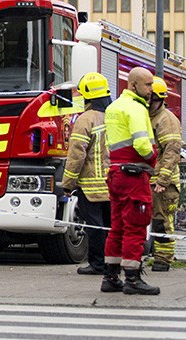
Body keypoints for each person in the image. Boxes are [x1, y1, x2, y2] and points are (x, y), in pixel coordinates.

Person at [102, 66, 160, 295]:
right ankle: (133, 279)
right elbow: (142, 144)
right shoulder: (136, 108)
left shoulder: (113, 107)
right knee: (135, 226)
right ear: (133, 85)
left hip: (116, 173)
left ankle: (110, 277)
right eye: (148, 85)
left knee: (117, 227)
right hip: (134, 175)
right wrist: (152, 157)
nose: (151, 89)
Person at [61, 72, 112, 276]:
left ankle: (97, 264)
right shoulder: (114, 117)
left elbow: (76, 154)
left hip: (91, 186)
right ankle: (112, 264)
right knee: (110, 226)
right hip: (113, 183)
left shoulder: (85, 120)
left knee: (95, 226)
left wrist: (68, 183)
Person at [148, 76, 183, 272]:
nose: (148, 103)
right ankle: (156, 255)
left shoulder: (166, 119)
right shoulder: (148, 116)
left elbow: (172, 152)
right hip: (149, 179)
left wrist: (162, 179)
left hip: (164, 183)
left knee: (162, 221)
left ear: (160, 99)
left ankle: (163, 259)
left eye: (152, 99)